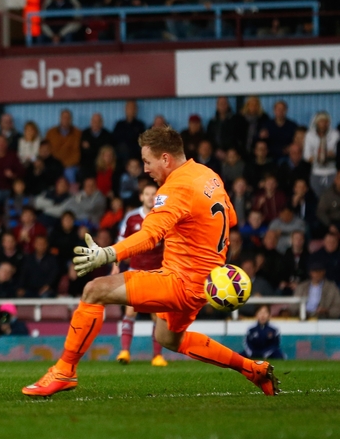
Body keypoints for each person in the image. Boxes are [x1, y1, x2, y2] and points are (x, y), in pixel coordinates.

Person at [23, 126, 280, 397]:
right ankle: (252, 369)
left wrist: (109, 253)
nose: (145, 169)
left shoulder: (176, 188)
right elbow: (232, 219)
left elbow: (149, 235)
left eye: (147, 161)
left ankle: (64, 371)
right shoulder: (208, 176)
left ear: (166, 159)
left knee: (93, 290)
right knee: (168, 338)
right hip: (205, 283)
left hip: (179, 282)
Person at [114, 182, 167, 367]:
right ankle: (125, 352)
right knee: (130, 310)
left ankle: (157, 356)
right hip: (135, 271)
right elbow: (121, 243)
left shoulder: (164, 217)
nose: (151, 197)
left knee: (157, 314)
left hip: (156, 272)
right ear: (141, 197)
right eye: (147, 194)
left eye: (154, 194)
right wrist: (115, 266)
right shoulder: (131, 218)